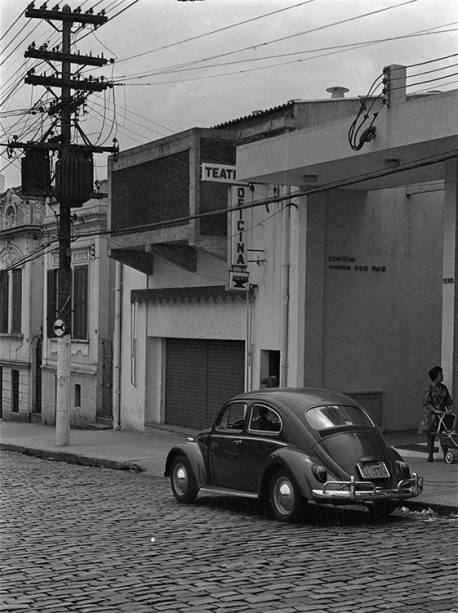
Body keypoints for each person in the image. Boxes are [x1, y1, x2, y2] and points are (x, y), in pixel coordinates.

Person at [419, 366, 453, 462]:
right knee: (431, 435)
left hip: (442, 415)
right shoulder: (429, 388)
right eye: (440, 374)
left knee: (444, 435)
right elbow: (427, 403)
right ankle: (430, 455)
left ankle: (446, 454)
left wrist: (449, 409)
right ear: (436, 376)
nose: (442, 376)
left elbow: (448, 401)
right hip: (432, 416)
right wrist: (435, 410)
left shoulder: (444, 388)